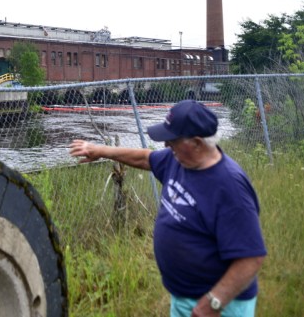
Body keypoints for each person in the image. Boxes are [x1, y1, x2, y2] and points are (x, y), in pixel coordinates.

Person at [69, 100, 266, 317]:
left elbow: (251, 258)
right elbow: (145, 158)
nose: (166, 146)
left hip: (222, 306)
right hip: (185, 298)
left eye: (172, 141)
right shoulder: (178, 160)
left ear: (197, 144)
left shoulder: (230, 187)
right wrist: (100, 150)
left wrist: (212, 303)